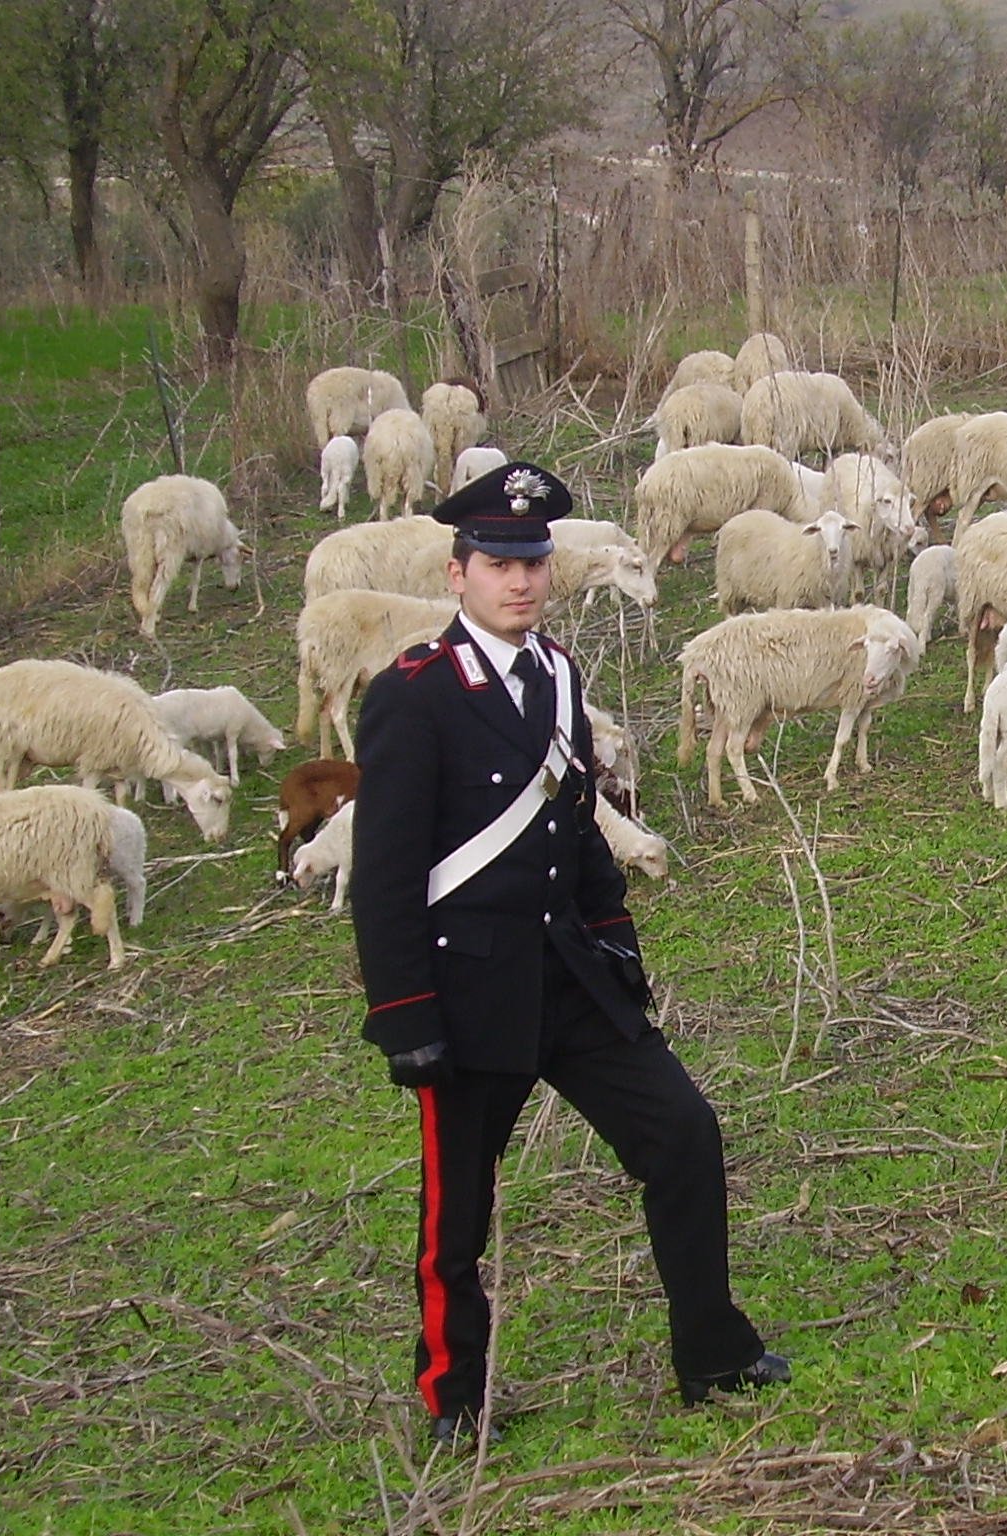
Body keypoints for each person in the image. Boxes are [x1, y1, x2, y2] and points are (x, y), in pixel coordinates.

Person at [348, 460, 787, 1448]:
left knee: (682, 1132)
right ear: (457, 573)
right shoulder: (413, 695)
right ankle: (453, 1399)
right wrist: (404, 1015)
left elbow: (577, 823)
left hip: (569, 979)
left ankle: (713, 1356)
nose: (519, 580)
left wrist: (617, 944)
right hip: (464, 994)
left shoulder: (555, 672)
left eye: (532, 561)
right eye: (498, 563)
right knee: (455, 1217)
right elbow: (384, 875)